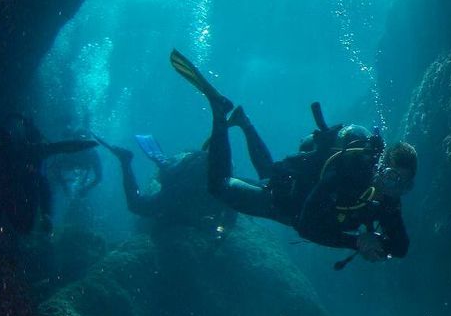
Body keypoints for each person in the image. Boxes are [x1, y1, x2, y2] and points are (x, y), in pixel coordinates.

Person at [169, 49, 415, 265]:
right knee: (219, 187)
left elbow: (401, 248)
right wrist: (358, 242)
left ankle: (243, 122)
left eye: (403, 184)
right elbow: (306, 226)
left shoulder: (387, 200)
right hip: (283, 202)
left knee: (268, 172)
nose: (392, 187)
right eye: (391, 177)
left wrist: (379, 242)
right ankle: (219, 113)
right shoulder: (347, 173)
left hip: (289, 187)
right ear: (381, 165)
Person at [95, 133, 240, 234]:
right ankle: (125, 161)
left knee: (142, 207)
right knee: (140, 208)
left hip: (183, 198)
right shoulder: (217, 173)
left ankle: (127, 161)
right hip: (179, 196)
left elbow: (231, 213)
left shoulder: (211, 169)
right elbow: (231, 212)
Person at [0, 113, 100, 234]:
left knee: (27, 220)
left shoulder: (92, 156)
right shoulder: (20, 150)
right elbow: (47, 175)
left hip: (22, 177)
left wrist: (47, 212)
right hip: (13, 179)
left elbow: (44, 182)